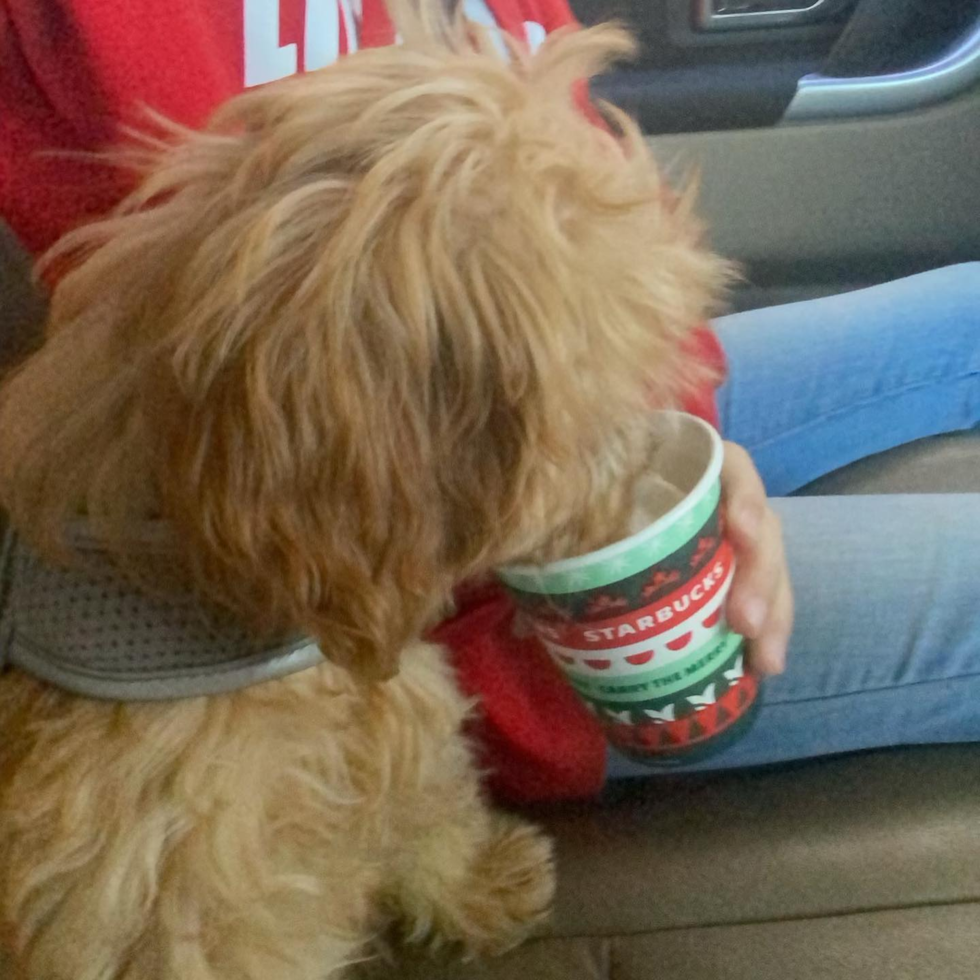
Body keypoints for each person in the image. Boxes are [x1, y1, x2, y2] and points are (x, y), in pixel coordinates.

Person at [1, 0, 978, 799]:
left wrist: (671, 416)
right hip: (399, 612)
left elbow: (578, 188)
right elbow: (294, 469)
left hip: (545, 427)